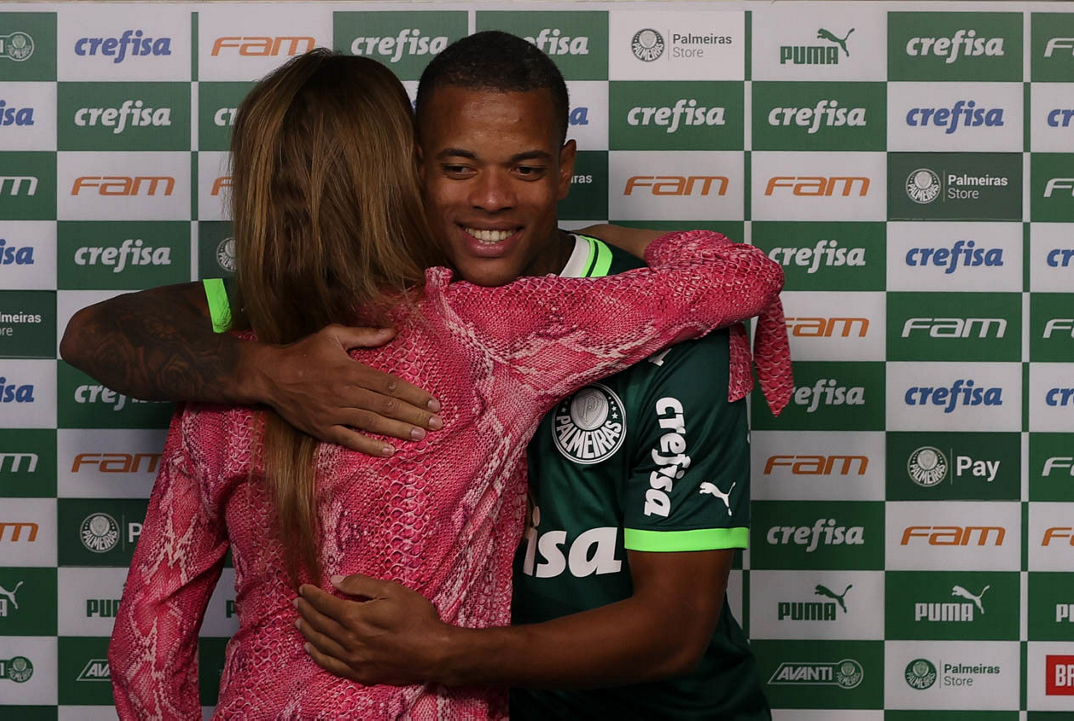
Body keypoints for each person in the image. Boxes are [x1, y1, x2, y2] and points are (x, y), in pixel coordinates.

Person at [67, 33, 784, 721]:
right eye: (458, 167)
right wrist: (269, 371)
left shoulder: (211, 383)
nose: (491, 198)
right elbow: (739, 276)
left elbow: (143, 646)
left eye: (524, 169)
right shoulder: (483, 330)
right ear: (409, 169)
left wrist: (258, 367)